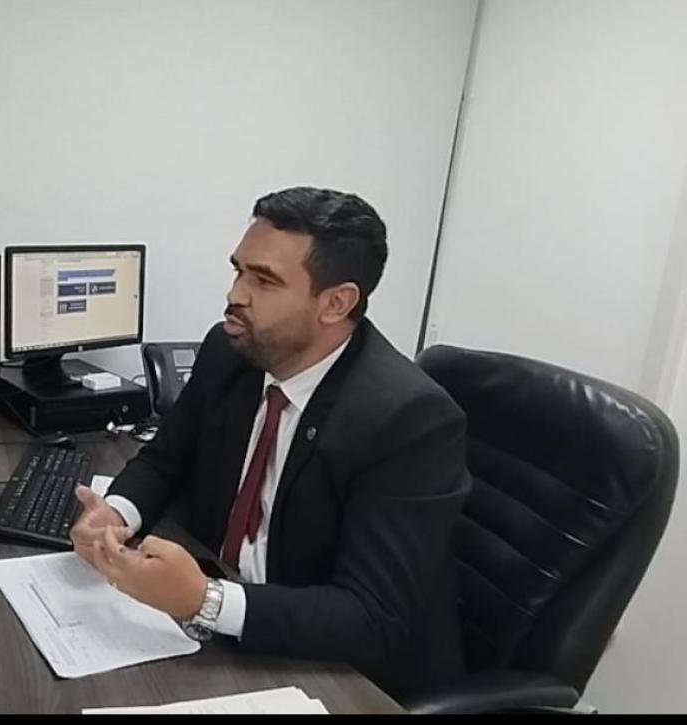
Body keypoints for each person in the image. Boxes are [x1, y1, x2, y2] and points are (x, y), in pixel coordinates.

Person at [71, 186, 471, 699]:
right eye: (238, 270)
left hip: (341, 672)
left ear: (336, 303)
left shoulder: (409, 419)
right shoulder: (231, 350)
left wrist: (204, 599)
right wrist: (117, 514)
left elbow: (372, 616)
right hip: (223, 620)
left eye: (263, 280)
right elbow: (166, 460)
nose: (236, 295)